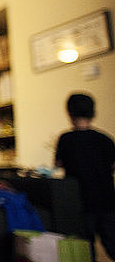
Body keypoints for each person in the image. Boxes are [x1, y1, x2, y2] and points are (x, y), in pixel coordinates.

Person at [55, 93, 115, 261]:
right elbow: (111, 165)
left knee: (85, 247)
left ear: (69, 113)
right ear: (93, 112)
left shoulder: (66, 139)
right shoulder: (105, 139)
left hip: (81, 200)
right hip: (107, 199)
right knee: (112, 242)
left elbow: (59, 164)